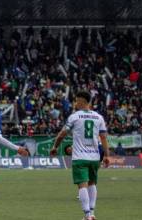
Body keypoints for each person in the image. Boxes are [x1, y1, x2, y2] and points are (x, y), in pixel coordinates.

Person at [50, 91, 111, 220]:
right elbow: (104, 138)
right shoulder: (98, 117)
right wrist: (106, 155)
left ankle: (87, 215)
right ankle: (92, 213)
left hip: (79, 158)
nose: (75, 103)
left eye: (77, 100)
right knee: (92, 183)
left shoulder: (74, 117)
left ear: (82, 101)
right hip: (94, 157)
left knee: (82, 185)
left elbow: (62, 134)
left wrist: (55, 147)